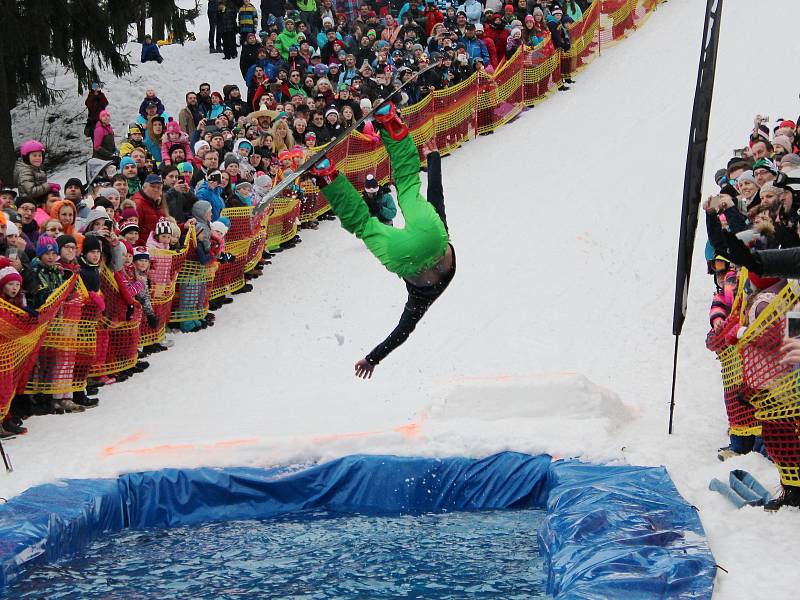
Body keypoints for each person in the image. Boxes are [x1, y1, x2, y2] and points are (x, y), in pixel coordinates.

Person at [310, 102, 455, 378]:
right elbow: (403, 330)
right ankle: (327, 176)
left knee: (409, 185)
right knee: (365, 224)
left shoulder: (444, 237)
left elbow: (437, 195)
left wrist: (434, 157)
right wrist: (373, 358)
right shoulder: (419, 300)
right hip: (404, 258)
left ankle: (391, 124)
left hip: (435, 238)